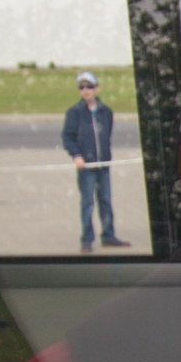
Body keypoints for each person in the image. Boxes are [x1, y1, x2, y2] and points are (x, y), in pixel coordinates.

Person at [61, 71, 129, 254]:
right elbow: (68, 137)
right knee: (87, 202)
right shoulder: (74, 113)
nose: (85, 90)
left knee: (105, 200)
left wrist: (104, 155)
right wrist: (77, 155)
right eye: (82, 87)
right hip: (87, 166)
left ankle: (108, 235)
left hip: (103, 164)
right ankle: (87, 239)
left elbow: (106, 134)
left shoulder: (106, 112)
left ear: (97, 88)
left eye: (89, 86)